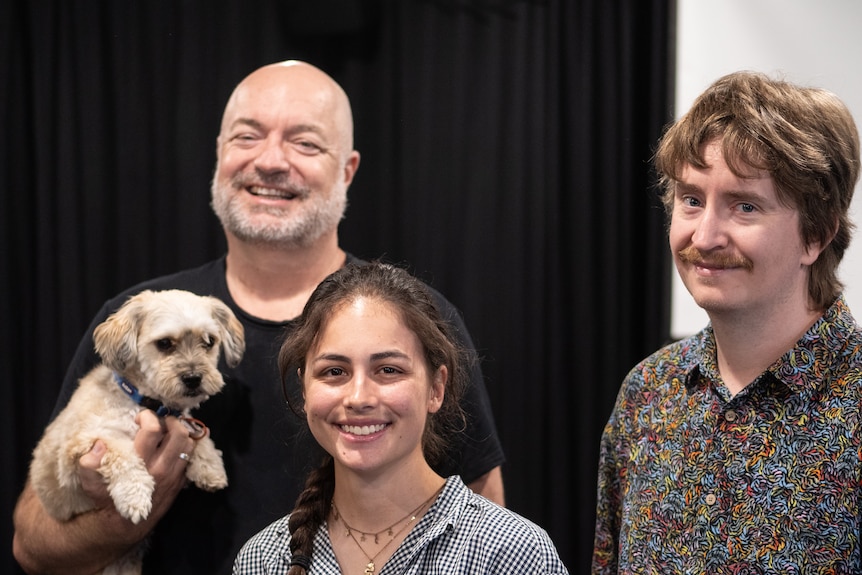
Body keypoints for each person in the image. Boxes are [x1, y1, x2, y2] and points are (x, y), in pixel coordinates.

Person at [13, 60, 505, 575]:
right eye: (248, 137)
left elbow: (480, 518)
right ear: (220, 153)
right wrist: (126, 513)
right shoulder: (135, 319)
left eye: (305, 143)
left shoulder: (415, 319)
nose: (271, 161)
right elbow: (32, 547)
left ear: (348, 171)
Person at [592, 70, 862, 573]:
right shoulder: (648, 395)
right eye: (692, 200)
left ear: (816, 235)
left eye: (744, 206)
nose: (706, 235)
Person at [233, 261, 568, 574]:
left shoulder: (509, 552)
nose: (359, 398)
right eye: (335, 371)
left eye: (388, 370)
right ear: (305, 390)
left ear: (436, 388)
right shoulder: (263, 559)